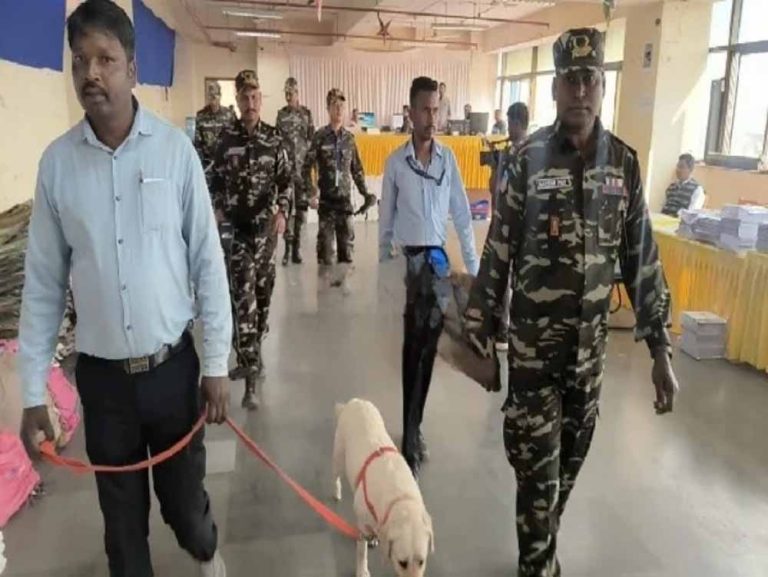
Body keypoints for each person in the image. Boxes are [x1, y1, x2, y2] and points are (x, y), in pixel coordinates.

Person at [17, 2, 232, 576]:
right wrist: (32, 390)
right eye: (79, 60)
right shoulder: (57, 166)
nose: (91, 73)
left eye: (105, 59)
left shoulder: (174, 153)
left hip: (172, 373)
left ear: (133, 69)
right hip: (105, 385)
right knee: (122, 528)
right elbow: (42, 285)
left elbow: (208, 262)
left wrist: (216, 362)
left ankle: (207, 552)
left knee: (185, 509)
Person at [464, 28, 680, 577]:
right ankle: (538, 564)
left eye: (590, 79)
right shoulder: (527, 160)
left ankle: (541, 549)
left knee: (562, 478)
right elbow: (498, 250)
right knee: (538, 481)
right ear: (555, 87)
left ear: (601, 86)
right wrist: (479, 327)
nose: (580, 90)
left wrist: (660, 350)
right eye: (570, 80)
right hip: (535, 359)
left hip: (588, 363)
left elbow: (641, 259)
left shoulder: (624, 165)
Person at [379, 76, 480, 479]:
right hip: (409, 267)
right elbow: (386, 226)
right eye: (424, 109)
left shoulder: (447, 161)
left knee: (428, 353)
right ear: (410, 112)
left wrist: (473, 271)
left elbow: (463, 216)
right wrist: (383, 279)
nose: (431, 117)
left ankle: (415, 426)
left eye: (436, 109)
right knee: (411, 352)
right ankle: (409, 434)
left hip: (437, 267)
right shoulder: (395, 164)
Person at [210, 70, 290, 409]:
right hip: (238, 234)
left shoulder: (274, 139)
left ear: (261, 99)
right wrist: (218, 208)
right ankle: (250, 378)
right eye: (244, 97)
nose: (250, 102)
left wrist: (283, 211)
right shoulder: (225, 139)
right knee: (243, 300)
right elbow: (213, 179)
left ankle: (256, 346)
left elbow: (286, 182)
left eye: (255, 97)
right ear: (238, 100)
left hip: (266, 234)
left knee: (263, 299)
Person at [303, 89, 376, 282]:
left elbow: (357, 170)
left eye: (342, 106)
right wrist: (311, 191)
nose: (339, 110)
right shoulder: (320, 136)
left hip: (344, 204)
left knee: (346, 257)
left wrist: (365, 194)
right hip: (326, 204)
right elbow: (306, 167)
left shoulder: (349, 139)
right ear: (328, 108)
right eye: (335, 105)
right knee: (326, 257)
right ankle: (325, 294)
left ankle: (343, 292)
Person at [488, 102, 530, 349]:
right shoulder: (536, 151)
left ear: (514, 123)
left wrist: (495, 166)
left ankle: (502, 330)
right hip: (529, 226)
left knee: (502, 276)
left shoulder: (510, 153)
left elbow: (496, 189)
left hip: (507, 224)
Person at [276, 77, 314, 266]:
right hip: (286, 171)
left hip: (302, 172)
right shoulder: (281, 115)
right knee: (286, 210)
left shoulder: (306, 114)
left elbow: (312, 143)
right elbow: (277, 142)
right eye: (286, 94)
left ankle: (296, 249)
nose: (289, 97)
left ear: (298, 93)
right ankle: (287, 250)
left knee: (300, 211)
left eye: (291, 93)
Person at [194, 80, 236, 185]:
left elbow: (235, 140)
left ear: (220, 96)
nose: (213, 98)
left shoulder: (229, 115)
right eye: (210, 95)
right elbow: (198, 144)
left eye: (215, 95)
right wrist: (200, 165)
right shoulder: (201, 115)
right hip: (208, 166)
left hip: (226, 165)